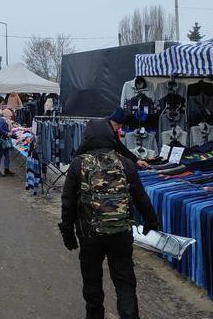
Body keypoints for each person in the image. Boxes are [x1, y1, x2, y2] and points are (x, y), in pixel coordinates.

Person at [59, 118, 159, 319]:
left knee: (92, 280)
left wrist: (67, 232)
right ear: (111, 136)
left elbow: (68, 202)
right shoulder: (126, 163)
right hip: (121, 233)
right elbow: (141, 197)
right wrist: (151, 222)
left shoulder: (79, 164)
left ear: (87, 137)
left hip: (89, 234)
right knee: (124, 281)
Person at [0, 109, 15, 177]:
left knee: (7, 156)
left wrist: (15, 136)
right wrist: (6, 133)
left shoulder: (4, 120)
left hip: (4, 140)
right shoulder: (1, 120)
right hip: (0, 141)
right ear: (6, 115)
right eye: (9, 116)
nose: (10, 118)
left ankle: (6, 170)